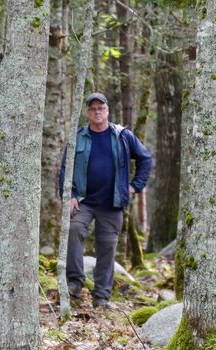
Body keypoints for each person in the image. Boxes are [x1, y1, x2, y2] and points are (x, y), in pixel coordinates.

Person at [59, 92, 152, 308]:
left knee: (107, 247)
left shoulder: (122, 136)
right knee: (73, 230)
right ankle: (75, 282)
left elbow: (145, 159)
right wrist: (70, 195)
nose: (97, 112)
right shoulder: (79, 137)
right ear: (88, 113)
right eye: (93, 109)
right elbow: (65, 169)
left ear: (108, 111)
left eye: (101, 108)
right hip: (84, 201)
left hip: (112, 202)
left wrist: (135, 186)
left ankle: (100, 297)